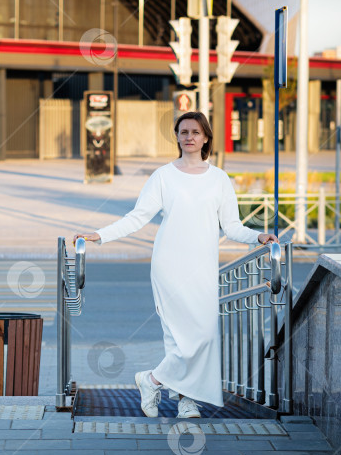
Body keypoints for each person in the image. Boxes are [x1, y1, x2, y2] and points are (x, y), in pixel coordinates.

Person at [73, 111, 278, 419]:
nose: (189, 136)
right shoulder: (163, 176)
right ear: (177, 136)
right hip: (169, 265)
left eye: (195, 132)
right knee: (179, 338)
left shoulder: (219, 178)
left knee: (204, 336)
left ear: (206, 137)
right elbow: (137, 218)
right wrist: (99, 235)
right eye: (183, 131)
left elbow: (232, 226)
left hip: (203, 268)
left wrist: (258, 236)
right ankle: (187, 402)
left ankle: (151, 380)